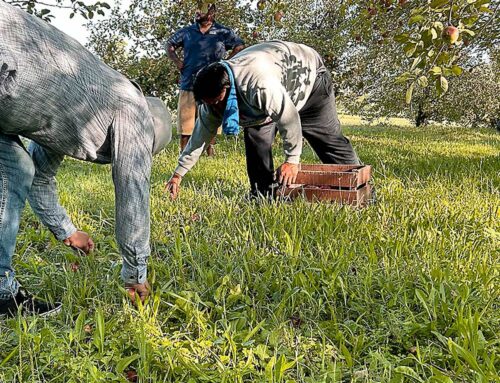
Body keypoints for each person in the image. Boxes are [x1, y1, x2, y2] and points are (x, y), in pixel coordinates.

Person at [0, 1, 172, 317]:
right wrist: (136, 273)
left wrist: (66, 230)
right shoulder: (132, 110)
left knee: (17, 169)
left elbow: (40, 175)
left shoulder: (85, 111)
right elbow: (132, 194)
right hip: (6, 57)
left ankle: (2, 294)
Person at [166, 40, 361, 199]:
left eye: (218, 102)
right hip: (272, 88)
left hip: (308, 79)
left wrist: (292, 161)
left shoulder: (259, 84)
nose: (215, 108)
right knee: (256, 140)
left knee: (328, 139)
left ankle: (359, 188)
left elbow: (289, 118)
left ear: (226, 90)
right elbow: (200, 137)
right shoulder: (211, 102)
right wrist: (178, 174)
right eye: (210, 104)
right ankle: (263, 196)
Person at [166, 2, 244, 154]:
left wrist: (226, 63)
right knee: (186, 124)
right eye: (196, 10)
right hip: (189, 82)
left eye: (200, 11)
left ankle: (209, 154)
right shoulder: (187, 32)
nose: (197, 13)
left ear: (211, 13)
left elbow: (239, 45)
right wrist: (178, 62)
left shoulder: (223, 31)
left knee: (211, 120)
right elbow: (169, 44)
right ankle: (184, 153)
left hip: (213, 84)